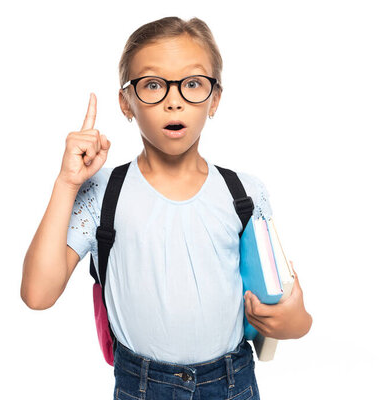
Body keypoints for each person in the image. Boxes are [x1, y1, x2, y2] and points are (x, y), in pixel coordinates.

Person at [21, 16, 312, 399]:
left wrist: (290, 320)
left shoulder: (244, 193)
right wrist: (67, 183)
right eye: (153, 85)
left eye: (192, 84)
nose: (173, 100)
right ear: (126, 102)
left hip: (232, 382)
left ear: (215, 99)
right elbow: (37, 295)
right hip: (142, 386)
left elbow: (291, 312)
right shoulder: (103, 191)